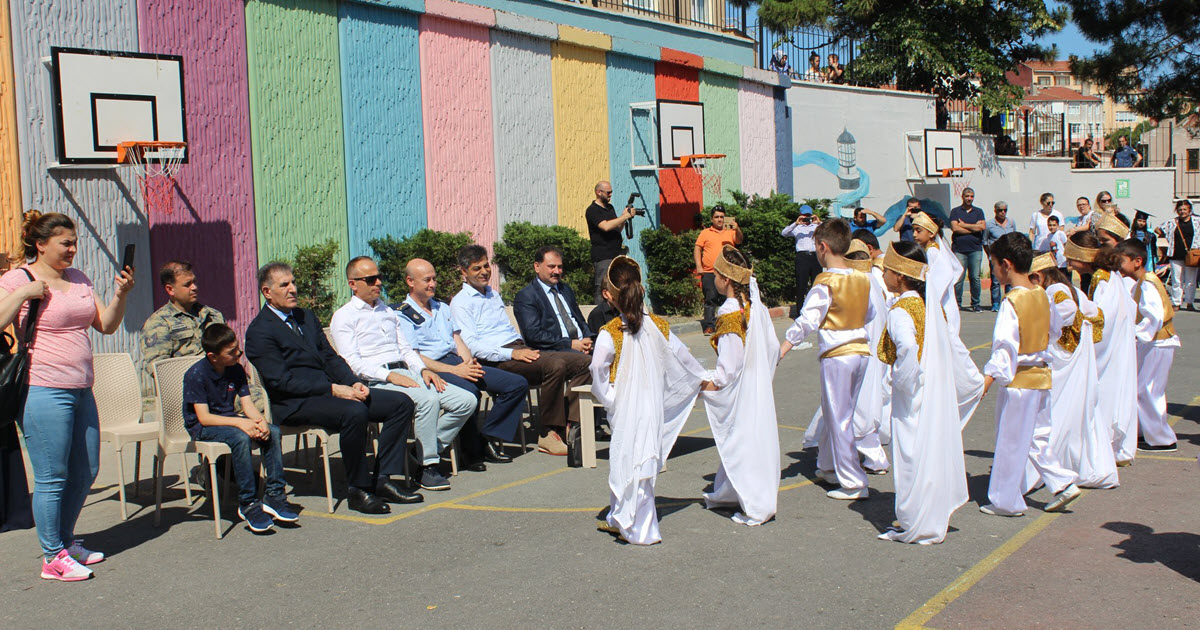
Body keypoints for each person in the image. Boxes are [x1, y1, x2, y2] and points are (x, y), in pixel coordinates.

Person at [0, 211, 134, 581]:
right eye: (66, 243)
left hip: (81, 388)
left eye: (75, 243)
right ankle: (52, 557)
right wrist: (25, 293)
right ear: (40, 245)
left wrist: (120, 295)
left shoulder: (78, 279)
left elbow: (105, 325)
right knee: (52, 475)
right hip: (43, 388)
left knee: (86, 468)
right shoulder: (18, 278)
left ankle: (66, 540)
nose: (73, 250)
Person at [245, 262, 421, 515]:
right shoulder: (260, 331)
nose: (293, 289)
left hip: (329, 391)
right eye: (285, 285)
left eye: (293, 282)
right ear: (267, 292)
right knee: (354, 412)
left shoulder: (305, 317)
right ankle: (358, 490)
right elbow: (280, 382)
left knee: (400, 403)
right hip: (294, 402)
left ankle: (383, 479)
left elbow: (330, 357)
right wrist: (332, 389)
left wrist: (352, 382)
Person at [331, 256, 477, 492]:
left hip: (407, 371)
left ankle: (419, 451)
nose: (378, 283)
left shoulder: (387, 311)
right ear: (353, 284)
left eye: (379, 277)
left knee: (466, 401)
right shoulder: (344, 316)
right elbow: (352, 362)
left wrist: (423, 369)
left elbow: (406, 349)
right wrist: (389, 376)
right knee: (428, 400)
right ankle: (427, 466)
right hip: (377, 380)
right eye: (370, 279)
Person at [590, 256, 704, 544]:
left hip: (626, 408)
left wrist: (610, 399)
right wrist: (703, 379)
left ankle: (640, 526)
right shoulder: (659, 326)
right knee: (642, 460)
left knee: (626, 459)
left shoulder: (610, 333)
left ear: (608, 295)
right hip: (651, 406)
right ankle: (621, 516)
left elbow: (597, 370)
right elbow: (683, 358)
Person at [451, 245, 591, 457]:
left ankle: (572, 424)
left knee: (583, 362)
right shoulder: (460, 303)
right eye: (476, 268)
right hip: (495, 359)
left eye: (486, 266)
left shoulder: (492, 295)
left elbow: (506, 330)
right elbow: (472, 345)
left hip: (518, 349)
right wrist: (512, 354)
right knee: (556, 365)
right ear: (463, 272)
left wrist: (520, 349)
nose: (484, 272)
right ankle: (547, 432)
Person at [978, 233, 1081, 517]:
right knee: (1037, 437)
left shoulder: (1012, 302)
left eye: (994, 264)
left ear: (1006, 265)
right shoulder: (1042, 295)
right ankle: (1062, 483)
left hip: (1020, 381)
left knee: (1011, 440)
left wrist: (987, 380)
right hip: (1042, 376)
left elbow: (1004, 349)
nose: (994, 269)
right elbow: (1056, 330)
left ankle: (1005, 501)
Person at [876, 241, 968, 544]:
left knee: (910, 453)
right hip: (931, 389)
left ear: (900, 275)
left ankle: (915, 518)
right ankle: (927, 514)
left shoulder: (902, 309)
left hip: (912, 392)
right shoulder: (928, 306)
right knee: (926, 449)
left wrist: (901, 383)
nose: (885, 274)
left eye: (888, 269)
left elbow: (908, 349)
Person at [395, 258, 527, 466]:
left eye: (434, 279)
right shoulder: (402, 314)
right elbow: (415, 356)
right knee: (470, 392)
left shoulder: (442, 307)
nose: (433, 284)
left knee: (516, 384)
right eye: (427, 280)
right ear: (410, 282)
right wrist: (456, 371)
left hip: (456, 361)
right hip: (432, 367)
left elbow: (457, 339)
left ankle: (487, 437)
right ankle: (470, 451)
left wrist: (468, 364)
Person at [779, 219, 874, 500]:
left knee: (839, 416)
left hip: (838, 355)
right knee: (837, 413)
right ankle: (829, 465)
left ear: (822, 247)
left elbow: (807, 320)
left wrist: (783, 348)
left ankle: (854, 481)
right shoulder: (862, 277)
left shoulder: (826, 281)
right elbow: (870, 314)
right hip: (860, 352)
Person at [182, 324, 298, 533]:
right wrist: (241, 422)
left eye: (238, 349)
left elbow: (247, 405)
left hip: (229, 419)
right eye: (232, 352)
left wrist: (260, 422)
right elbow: (204, 418)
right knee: (240, 437)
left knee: (273, 431)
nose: (238, 354)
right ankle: (248, 502)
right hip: (203, 427)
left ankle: (274, 495)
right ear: (213, 356)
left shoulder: (235, 368)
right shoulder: (196, 374)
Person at [700, 246, 781, 526]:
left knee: (740, 438)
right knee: (751, 436)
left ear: (725, 279)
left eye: (716, 274)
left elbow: (729, 364)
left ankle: (753, 499)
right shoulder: (754, 307)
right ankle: (730, 490)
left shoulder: (729, 311)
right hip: (756, 382)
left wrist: (714, 383)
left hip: (740, 386)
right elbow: (771, 348)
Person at [1024, 254, 1117, 491]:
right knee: (1071, 409)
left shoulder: (1056, 289)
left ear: (1040, 275)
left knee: (1054, 410)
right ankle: (1060, 462)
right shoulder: (1070, 287)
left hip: (1061, 357)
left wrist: (1046, 329)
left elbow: (1066, 310)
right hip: (1070, 355)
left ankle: (1046, 467)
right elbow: (1095, 314)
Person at [1066, 232, 1139, 466]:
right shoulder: (1108, 276)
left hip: (1108, 349)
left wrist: (1077, 332)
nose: (1067, 261)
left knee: (1104, 394)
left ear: (1084, 256)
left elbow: (1102, 319)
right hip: (1117, 346)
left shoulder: (1102, 279)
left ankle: (1101, 452)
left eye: (1071, 256)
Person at [911, 212, 985, 424]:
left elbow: (938, 281)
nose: (915, 235)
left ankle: (960, 390)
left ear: (931, 233)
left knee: (945, 353)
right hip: (940, 307)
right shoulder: (930, 252)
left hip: (941, 309)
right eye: (914, 230)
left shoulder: (934, 253)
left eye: (919, 230)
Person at [1116, 240, 1180, 453]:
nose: (1118, 265)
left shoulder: (1148, 282)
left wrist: (1132, 334)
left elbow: (1154, 317)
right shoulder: (1142, 281)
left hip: (1159, 342)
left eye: (1121, 260)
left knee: (1149, 389)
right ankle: (1147, 432)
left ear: (1137, 261)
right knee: (1143, 388)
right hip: (1153, 342)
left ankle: (1162, 438)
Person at [139, 260, 225, 394]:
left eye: (194, 282)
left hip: (225, 384)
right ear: (170, 289)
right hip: (191, 392)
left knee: (261, 400)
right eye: (187, 285)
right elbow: (158, 370)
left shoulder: (213, 316)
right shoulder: (159, 323)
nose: (194, 287)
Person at [513, 246, 593, 354]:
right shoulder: (526, 296)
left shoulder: (565, 289)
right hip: (556, 350)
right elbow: (534, 335)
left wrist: (588, 338)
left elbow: (580, 320)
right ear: (537, 267)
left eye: (559, 267)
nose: (557, 271)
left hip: (581, 344)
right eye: (551, 266)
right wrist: (570, 344)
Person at [694, 206, 744, 335]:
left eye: (722, 217)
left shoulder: (730, 232)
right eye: (716, 217)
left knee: (727, 298)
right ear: (712, 219)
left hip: (726, 272)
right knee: (710, 299)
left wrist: (737, 228)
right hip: (710, 272)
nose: (719, 219)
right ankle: (709, 326)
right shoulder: (705, 233)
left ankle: (726, 324)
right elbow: (697, 249)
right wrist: (699, 266)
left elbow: (739, 240)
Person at [585, 181, 635, 306]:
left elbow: (616, 228)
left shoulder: (610, 208)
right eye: (608, 192)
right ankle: (600, 314)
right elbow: (606, 226)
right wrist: (624, 217)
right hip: (603, 256)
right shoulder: (592, 210)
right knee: (602, 287)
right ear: (598, 192)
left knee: (617, 285)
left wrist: (625, 216)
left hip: (616, 254)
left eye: (611, 192)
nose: (610, 195)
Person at [1154, 199, 1200, 310]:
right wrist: (1166, 238)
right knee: (1176, 279)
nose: (1182, 212)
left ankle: (1189, 302)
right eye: (1180, 210)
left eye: (1185, 209)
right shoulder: (1172, 222)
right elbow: (1157, 229)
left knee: (1191, 281)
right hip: (1175, 254)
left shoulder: (1197, 221)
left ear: (1189, 210)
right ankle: (1177, 302)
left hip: (1192, 255)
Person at [949, 187, 986, 312]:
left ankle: (976, 303)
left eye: (971, 196)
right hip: (959, 249)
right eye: (967, 196)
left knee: (975, 277)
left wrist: (963, 225)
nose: (969, 198)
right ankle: (957, 303)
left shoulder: (978, 211)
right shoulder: (955, 211)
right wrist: (973, 227)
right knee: (959, 277)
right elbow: (955, 228)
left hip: (975, 249)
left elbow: (982, 227)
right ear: (962, 197)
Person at [781, 205, 820, 318]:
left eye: (808, 216)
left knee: (816, 285)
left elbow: (829, 232)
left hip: (815, 257)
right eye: (804, 216)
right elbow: (784, 233)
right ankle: (800, 313)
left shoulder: (817, 227)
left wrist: (819, 222)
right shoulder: (797, 228)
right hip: (802, 257)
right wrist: (796, 223)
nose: (807, 218)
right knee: (801, 286)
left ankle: (816, 312)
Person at [984, 201, 1017, 311]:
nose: (1003, 212)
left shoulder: (1011, 222)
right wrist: (990, 254)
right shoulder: (989, 225)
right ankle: (996, 303)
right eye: (1000, 210)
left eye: (1005, 210)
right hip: (996, 257)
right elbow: (985, 241)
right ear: (995, 211)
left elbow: (1014, 237)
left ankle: (1008, 302)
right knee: (996, 281)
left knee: (1009, 280)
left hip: (1009, 256)